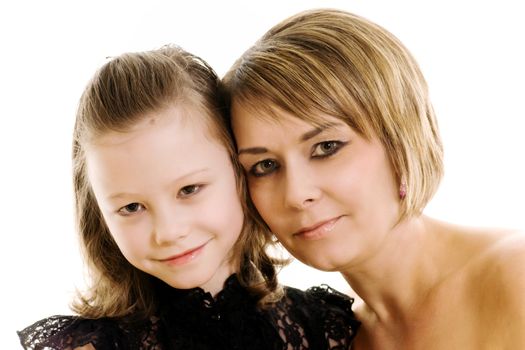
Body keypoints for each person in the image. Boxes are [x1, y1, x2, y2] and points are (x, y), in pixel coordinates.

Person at [17, 45, 360, 349]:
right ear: (100, 216)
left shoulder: (327, 330)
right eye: (131, 207)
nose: (168, 231)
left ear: (239, 170)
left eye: (189, 190)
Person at [223, 8, 525, 350]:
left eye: (326, 147)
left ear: (399, 137)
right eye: (264, 166)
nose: (296, 194)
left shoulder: (516, 276)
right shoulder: (329, 335)